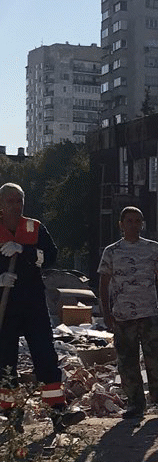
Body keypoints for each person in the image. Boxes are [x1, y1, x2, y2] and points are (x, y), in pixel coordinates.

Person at [0, 181, 85, 435]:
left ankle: (57, 414)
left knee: (46, 357)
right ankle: (12, 416)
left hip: (33, 303)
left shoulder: (34, 227)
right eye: (11, 201)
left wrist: (24, 250)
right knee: (5, 364)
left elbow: (50, 256)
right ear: (1, 205)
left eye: (19, 201)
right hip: (5, 306)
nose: (16, 206)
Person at [98, 206, 158, 421]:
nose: (134, 225)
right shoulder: (112, 252)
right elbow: (104, 284)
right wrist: (105, 313)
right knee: (127, 362)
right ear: (121, 225)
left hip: (149, 314)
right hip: (123, 316)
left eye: (138, 221)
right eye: (129, 221)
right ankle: (134, 404)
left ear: (142, 224)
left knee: (155, 361)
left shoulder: (152, 249)